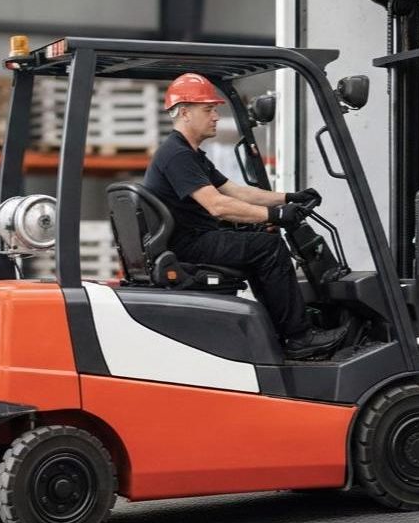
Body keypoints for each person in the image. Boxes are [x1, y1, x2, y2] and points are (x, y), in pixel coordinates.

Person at [143, 73, 348, 360]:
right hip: (189, 243)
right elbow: (217, 205)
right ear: (185, 112)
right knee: (269, 247)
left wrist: (288, 198)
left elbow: (237, 192)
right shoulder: (177, 155)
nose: (216, 116)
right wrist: (275, 215)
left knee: (260, 239)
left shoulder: (190, 154)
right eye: (209, 109)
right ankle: (299, 337)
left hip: (191, 238)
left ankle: (281, 332)